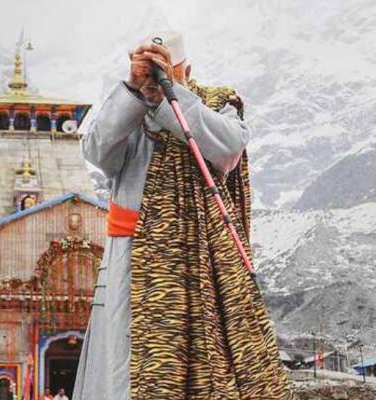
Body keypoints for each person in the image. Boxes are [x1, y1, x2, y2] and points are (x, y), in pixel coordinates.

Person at [72, 31, 296, 400]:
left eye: (167, 69)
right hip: (137, 260)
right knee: (130, 356)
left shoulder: (216, 103)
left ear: (186, 69)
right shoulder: (129, 112)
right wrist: (133, 90)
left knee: (214, 353)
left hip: (204, 258)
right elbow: (97, 152)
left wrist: (171, 98)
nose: (157, 77)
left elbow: (227, 149)